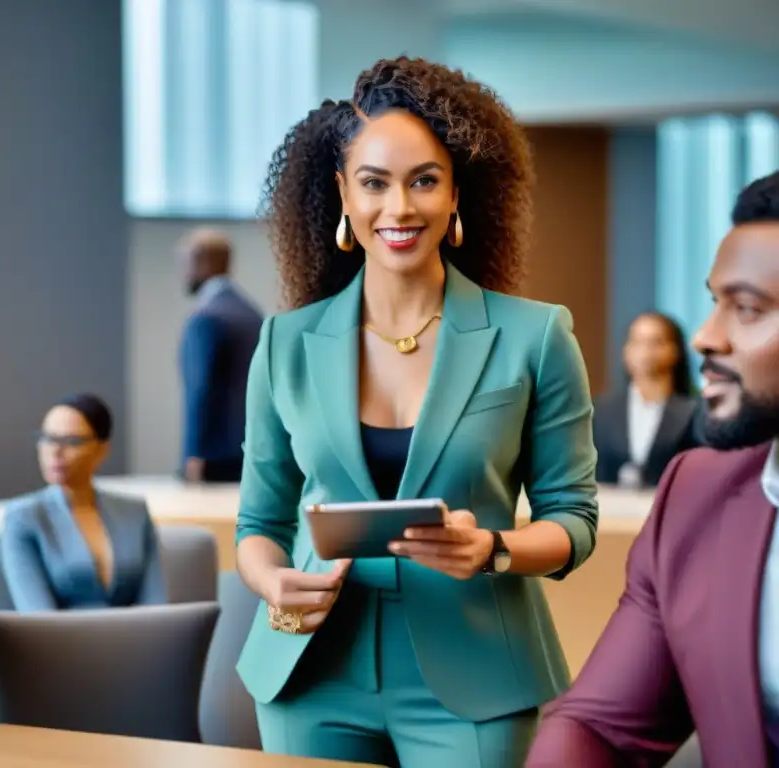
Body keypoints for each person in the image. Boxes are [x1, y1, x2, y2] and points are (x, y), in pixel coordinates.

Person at [234, 57, 599, 767]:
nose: (398, 209)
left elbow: (574, 521)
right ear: (343, 192)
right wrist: (274, 580)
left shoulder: (536, 336)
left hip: (477, 675)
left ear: (457, 189)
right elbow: (259, 524)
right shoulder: (285, 344)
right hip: (311, 672)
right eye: (374, 183)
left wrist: (492, 548)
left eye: (423, 180)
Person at [526, 170, 779, 767]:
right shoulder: (696, 496)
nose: (704, 338)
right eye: (714, 301)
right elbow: (600, 728)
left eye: (746, 308)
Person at [0, 394, 167, 611]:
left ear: (102, 449)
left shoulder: (134, 513)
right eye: (48, 439)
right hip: (59, 643)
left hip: (136, 641)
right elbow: (37, 618)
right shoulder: (24, 517)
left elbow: (157, 606)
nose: (55, 451)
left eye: (72, 442)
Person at [178, 229, 262, 483]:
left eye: (184, 263)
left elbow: (200, 390)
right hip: (252, 450)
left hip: (212, 458)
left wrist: (192, 453)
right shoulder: (252, 315)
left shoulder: (207, 317)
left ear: (200, 262)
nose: (182, 272)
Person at [593, 311, 703, 487]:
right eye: (636, 342)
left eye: (655, 342)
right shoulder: (602, 409)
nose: (645, 351)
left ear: (675, 350)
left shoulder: (694, 412)